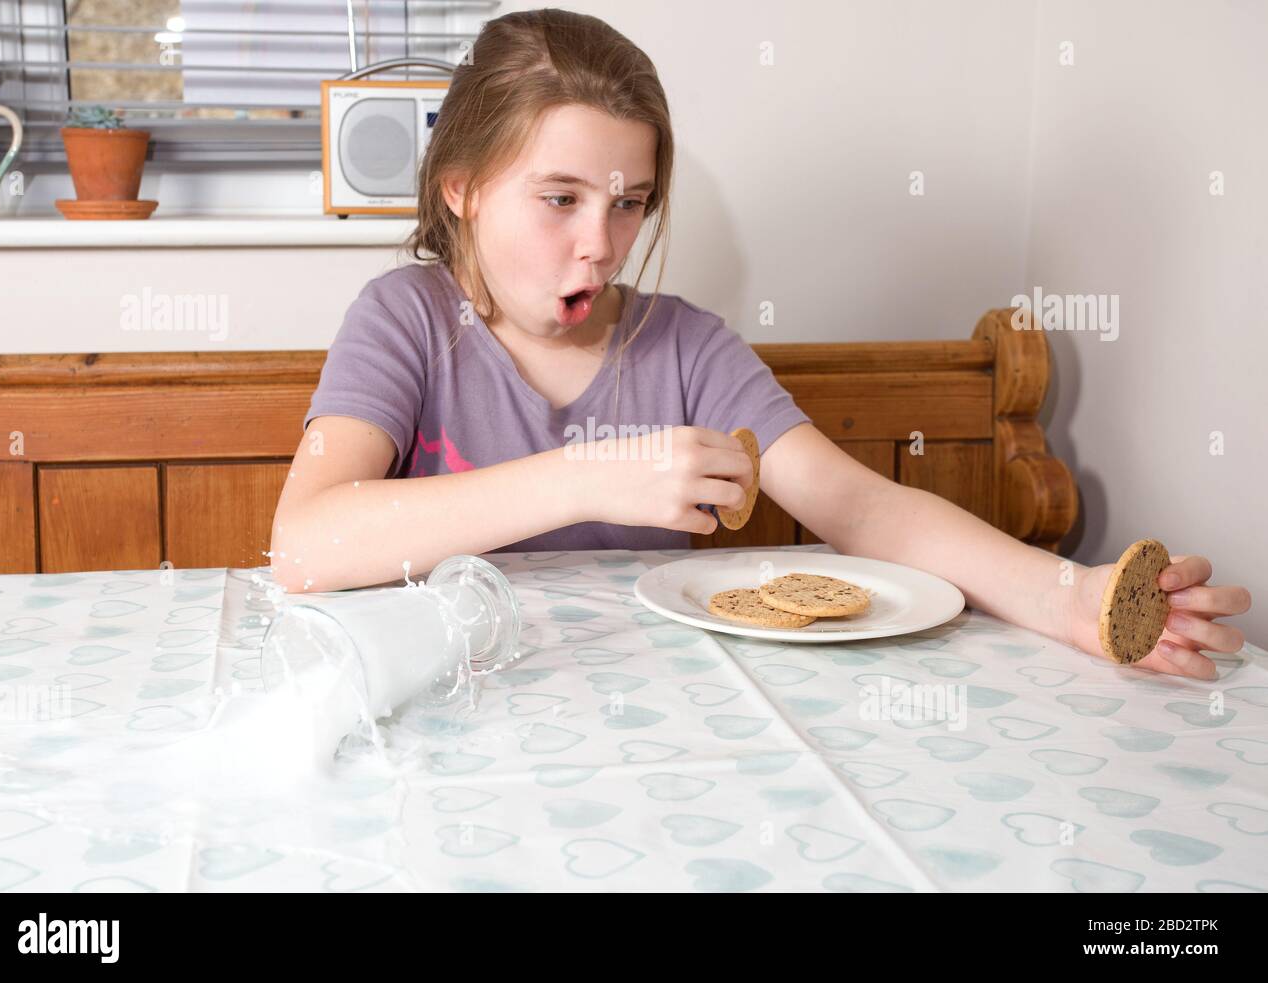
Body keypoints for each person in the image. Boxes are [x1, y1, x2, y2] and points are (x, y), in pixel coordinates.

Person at [271, 8, 1249, 681]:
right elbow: (306, 545)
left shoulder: (686, 346)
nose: (599, 244)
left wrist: (1069, 598)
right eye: (560, 198)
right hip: (457, 705)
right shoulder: (404, 320)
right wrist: (581, 476)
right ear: (462, 187)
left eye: (629, 204)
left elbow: (858, 507)